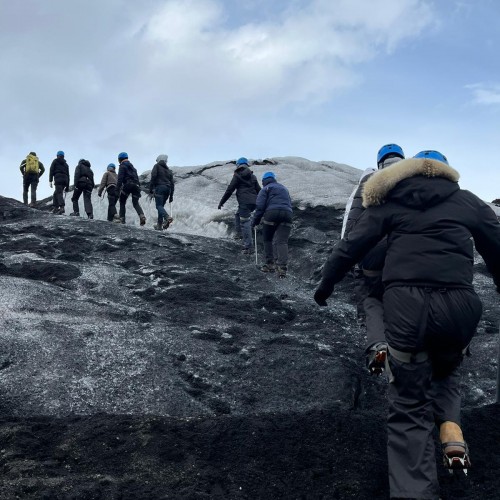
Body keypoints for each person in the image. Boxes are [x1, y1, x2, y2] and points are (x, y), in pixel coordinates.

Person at [314, 150, 500, 499]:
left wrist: (325, 286)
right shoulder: (468, 202)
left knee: (408, 404)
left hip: (407, 310)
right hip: (460, 307)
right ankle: (450, 430)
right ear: (447, 173)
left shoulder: (390, 202)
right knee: (446, 369)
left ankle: (415, 490)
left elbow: (350, 246)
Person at [342, 144, 405, 374]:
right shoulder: (414, 179)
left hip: (373, 251)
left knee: (370, 299)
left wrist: (348, 249)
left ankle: (376, 341)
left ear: (380, 161)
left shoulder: (370, 179)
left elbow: (354, 216)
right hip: (406, 251)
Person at [251, 171, 293, 278]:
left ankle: (270, 264)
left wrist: (255, 221)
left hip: (272, 213)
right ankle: (282, 268)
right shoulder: (284, 188)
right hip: (287, 214)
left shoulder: (265, 189)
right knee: (282, 241)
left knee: (268, 238)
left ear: (264, 181)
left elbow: (260, 207)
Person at [218, 157, 261, 254]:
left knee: (245, 223)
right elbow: (259, 190)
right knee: (238, 214)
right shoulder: (253, 176)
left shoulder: (237, 175)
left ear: (238, 165)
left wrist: (222, 202)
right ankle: (239, 234)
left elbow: (230, 190)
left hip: (244, 203)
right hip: (254, 203)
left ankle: (248, 247)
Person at [115, 152, 146, 226]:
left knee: (122, 201)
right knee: (135, 203)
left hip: (128, 185)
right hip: (136, 186)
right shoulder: (133, 168)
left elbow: (120, 179)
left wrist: (117, 189)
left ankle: (122, 219)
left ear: (120, 159)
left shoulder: (122, 166)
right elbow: (137, 179)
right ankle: (142, 216)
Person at [150, 154, 175, 230]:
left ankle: (167, 218)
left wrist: (151, 188)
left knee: (158, 206)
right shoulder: (169, 170)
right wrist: (171, 196)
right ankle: (159, 225)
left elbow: (153, 176)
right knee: (161, 206)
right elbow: (172, 184)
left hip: (160, 188)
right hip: (168, 190)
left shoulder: (156, 166)